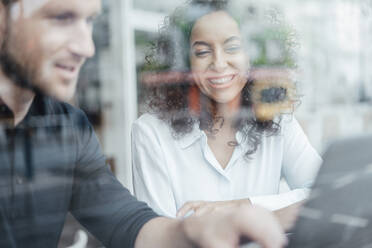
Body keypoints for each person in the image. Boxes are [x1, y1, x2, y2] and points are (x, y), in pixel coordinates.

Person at [0, 0, 286, 247]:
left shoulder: (67, 127)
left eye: (89, 22)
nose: (86, 47)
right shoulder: (147, 129)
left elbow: (125, 222)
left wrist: (197, 230)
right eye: (61, 18)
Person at [132, 0, 322, 228]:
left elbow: (322, 194)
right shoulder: (151, 133)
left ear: (254, 56)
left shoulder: (278, 120)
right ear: (182, 62)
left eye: (232, 48)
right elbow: (157, 235)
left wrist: (240, 207)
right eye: (202, 52)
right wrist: (273, 215)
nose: (219, 64)